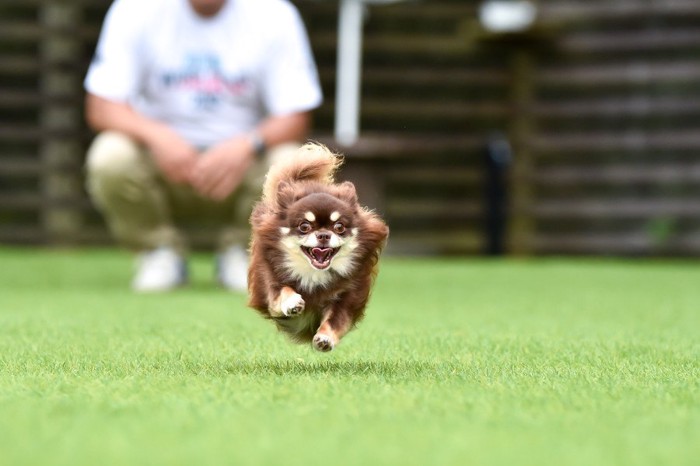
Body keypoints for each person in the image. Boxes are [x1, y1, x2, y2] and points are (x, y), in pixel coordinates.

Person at [83, 0, 322, 292]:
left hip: (245, 171)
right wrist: (157, 136)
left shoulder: (275, 13)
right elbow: (101, 106)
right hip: (161, 167)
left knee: (291, 160)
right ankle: (158, 252)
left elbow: (296, 116)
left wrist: (248, 145)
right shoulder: (133, 8)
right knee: (111, 154)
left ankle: (248, 252)